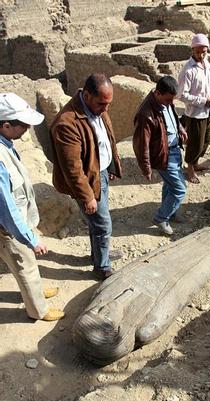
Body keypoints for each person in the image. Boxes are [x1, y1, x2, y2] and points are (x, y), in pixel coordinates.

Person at [50, 73, 122, 280]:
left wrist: (110, 167)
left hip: (100, 174)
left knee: (97, 223)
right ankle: (102, 268)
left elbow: (105, 139)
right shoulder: (67, 123)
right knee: (102, 224)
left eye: (108, 103)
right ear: (87, 95)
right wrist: (87, 196)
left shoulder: (98, 108)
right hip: (87, 182)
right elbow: (73, 168)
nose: (106, 109)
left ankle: (99, 255)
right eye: (102, 103)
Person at [0, 93, 64, 321]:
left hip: (14, 226)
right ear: (6, 125)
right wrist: (31, 238)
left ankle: (34, 291)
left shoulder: (5, 143)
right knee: (24, 264)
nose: (27, 128)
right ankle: (38, 310)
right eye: (23, 125)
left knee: (24, 263)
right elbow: (6, 208)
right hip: (8, 230)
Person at [133, 76, 187, 236]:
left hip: (174, 149)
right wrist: (146, 168)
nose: (171, 103)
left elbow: (172, 116)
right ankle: (161, 218)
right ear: (157, 93)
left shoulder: (166, 102)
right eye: (168, 99)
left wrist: (180, 129)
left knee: (170, 185)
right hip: (163, 154)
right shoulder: (146, 113)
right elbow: (141, 144)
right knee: (179, 189)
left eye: (172, 99)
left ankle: (171, 210)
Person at [178, 33, 210, 184]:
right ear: (192, 51)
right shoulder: (188, 70)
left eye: (204, 52)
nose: (201, 55)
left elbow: (208, 85)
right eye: (198, 52)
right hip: (195, 114)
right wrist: (203, 101)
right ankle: (190, 169)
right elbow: (182, 95)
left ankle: (195, 163)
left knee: (206, 140)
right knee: (195, 143)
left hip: (207, 111)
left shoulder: (206, 64)